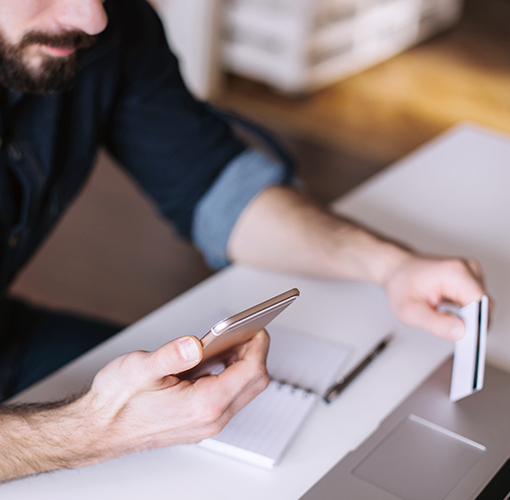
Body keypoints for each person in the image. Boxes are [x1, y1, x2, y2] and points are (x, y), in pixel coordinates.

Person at [0, 0, 486, 483]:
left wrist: (387, 264)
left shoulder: (104, 28)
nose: (94, 18)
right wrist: (91, 430)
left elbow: (213, 185)